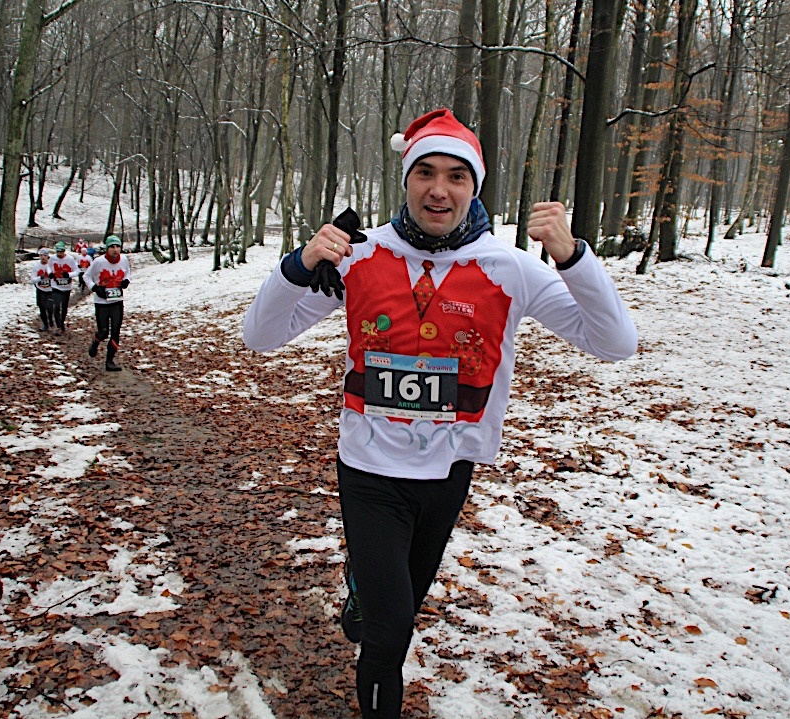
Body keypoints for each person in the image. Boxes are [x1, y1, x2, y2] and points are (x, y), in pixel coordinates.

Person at [242, 108, 637, 718]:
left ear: (474, 187)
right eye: (425, 172)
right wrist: (298, 266)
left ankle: (362, 589)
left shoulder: (511, 268)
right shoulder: (358, 255)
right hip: (368, 469)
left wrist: (573, 256)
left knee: (398, 605)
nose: (439, 190)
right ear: (406, 180)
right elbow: (261, 336)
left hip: (449, 472)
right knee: (390, 631)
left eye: (457, 176)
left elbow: (615, 343)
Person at [86, 235, 131, 372]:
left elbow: (127, 273)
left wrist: (126, 281)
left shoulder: (124, 259)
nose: (115, 250)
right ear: (107, 248)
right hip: (102, 303)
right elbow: (86, 276)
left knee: (116, 332)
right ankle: (96, 341)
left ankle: (110, 361)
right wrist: (95, 288)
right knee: (104, 331)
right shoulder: (98, 262)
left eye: (117, 247)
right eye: (112, 247)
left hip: (117, 301)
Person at [48, 241, 79, 334]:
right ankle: (59, 326)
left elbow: (77, 271)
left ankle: (62, 323)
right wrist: (50, 273)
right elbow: (48, 267)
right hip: (56, 286)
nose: (59, 254)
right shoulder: (52, 258)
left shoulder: (70, 259)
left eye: (61, 252)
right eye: (58, 252)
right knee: (56, 306)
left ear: (64, 251)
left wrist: (69, 275)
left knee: (64, 307)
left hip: (66, 287)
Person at [31, 247, 54, 332]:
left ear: (48, 256)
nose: (43, 257)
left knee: (49, 307)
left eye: (44, 255)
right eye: (41, 255)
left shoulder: (52, 265)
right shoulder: (36, 266)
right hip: (40, 289)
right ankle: (45, 325)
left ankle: (51, 318)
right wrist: (40, 278)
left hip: (51, 290)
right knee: (41, 307)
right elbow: (33, 279)